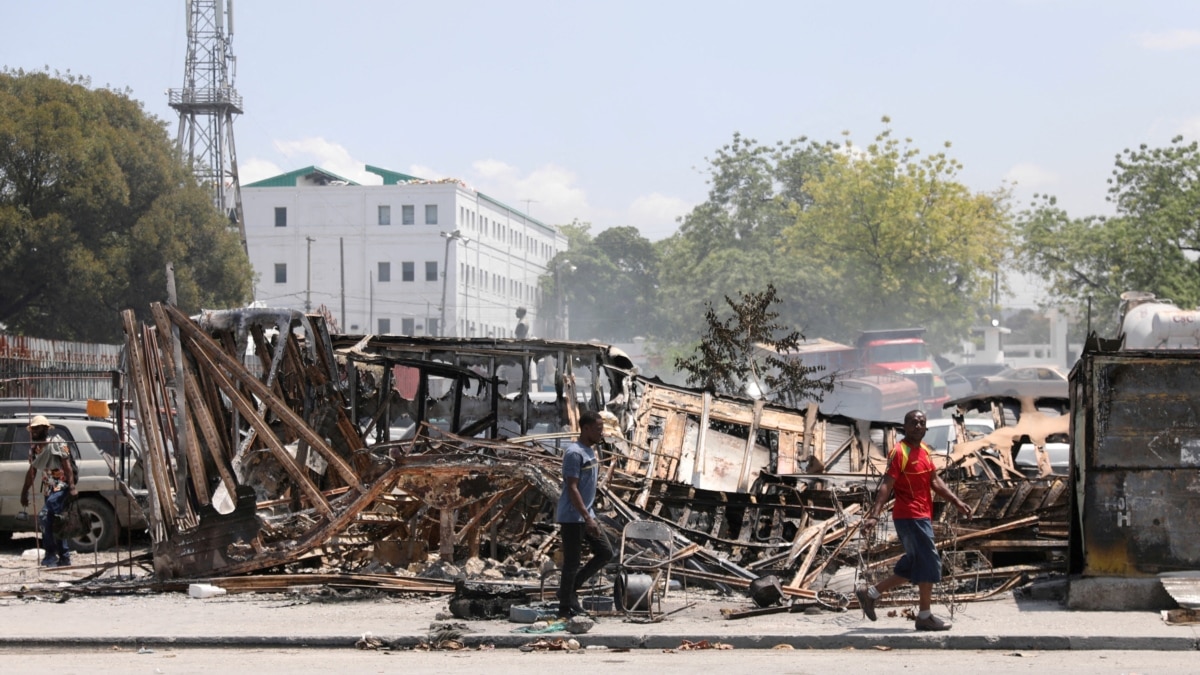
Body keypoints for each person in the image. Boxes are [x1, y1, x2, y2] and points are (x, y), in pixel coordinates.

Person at [857, 409, 970, 631]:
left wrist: (956, 501)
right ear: (905, 427)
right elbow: (886, 485)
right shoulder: (900, 452)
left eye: (922, 423)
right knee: (929, 562)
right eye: (913, 423)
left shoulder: (925, 451)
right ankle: (924, 616)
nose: (918, 426)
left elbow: (935, 481)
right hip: (909, 516)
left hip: (922, 515)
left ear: (926, 428)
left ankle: (870, 593)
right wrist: (874, 515)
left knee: (915, 564)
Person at [555, 410, 614, 618]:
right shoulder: (574, 453)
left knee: (606, 552)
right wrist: (587, 518)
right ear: (586, 428)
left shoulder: (591, 451)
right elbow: (572, 488)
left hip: (587, 513)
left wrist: (590, 514)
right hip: (573, 516)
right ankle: (564, 608)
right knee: (572, 562)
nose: (601, 433)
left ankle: (568, 591)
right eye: (598, 429)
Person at [20, 415, 77, 567]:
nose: (33, 432)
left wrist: (71, 486)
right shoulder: (35, 449)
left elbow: (67, 467)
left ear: (45, 429)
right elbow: (32, 472)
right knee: (56, 522)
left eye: (36, 428)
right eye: (32, 429)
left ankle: (51, 555)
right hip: (48, 489)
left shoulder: (57, 443)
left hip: (61, 487)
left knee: (45, 517)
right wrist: (24, 491)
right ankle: (64, 558)